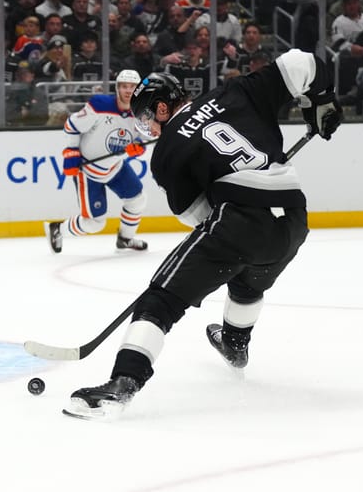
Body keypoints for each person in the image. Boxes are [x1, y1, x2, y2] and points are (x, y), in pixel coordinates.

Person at [64, 49, 343, 420]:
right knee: (249, 281)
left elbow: (197, 216)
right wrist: (321, 101)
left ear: (162, 109)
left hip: (239, 223)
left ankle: (123, 382)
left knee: (160, 299)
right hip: (292, 222)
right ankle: (234, 343)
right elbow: (301, 61)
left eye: (148, 117)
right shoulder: (235, 91)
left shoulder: (166, 154)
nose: (148, 127)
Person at [43, 69, 149, 254]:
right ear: (117, 88)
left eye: (132, 87)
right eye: (124, 86)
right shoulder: (100, 105)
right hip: (89, 171)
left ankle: (125, 239)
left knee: (137, 200)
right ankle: (57, 229)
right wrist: (71, 152)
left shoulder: (143, 112)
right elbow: (72, 126)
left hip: (116, 167)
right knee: (93, 224)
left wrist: (139, 146)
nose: (128, 90)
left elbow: (144, 138)